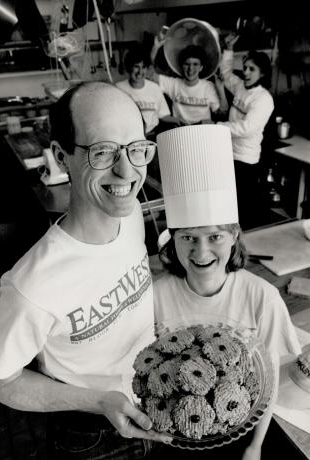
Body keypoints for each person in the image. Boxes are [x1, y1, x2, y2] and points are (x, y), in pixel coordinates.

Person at [0, 81, 172, 459]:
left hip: (153, 397)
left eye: (137, 149)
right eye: (103, 151)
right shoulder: (31, 287)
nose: (127, 171)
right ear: (60, 154)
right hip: (90, 435)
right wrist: (100, 401)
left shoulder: (132, 215)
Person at [152, 125, 301, 459]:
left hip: (239, 436)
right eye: (188, 237)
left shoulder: (261, 298)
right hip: (171, 437)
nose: (202, 252)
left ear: (235, 235)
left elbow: (270, 380)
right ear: (171, 240)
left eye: (214, 236)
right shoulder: (155, 297)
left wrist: (256, 446)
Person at [216, 34, 275, 230]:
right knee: (228, 205)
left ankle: (244, 248)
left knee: (242, 209)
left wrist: (217, 128)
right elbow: (225, 73)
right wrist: (228, 50)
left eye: (252, 69)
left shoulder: (263, 99)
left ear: (263, 73)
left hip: (245, 160)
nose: (246, 72)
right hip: (228, 153)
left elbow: (246, 128)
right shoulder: (241, 86)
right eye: (246, 68)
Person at [151, 33, 223, 125]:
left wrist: (221, 89)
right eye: (187, 64)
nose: (191, 69)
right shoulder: (174, 84)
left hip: (203, 132)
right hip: (180, 132)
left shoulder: (208, 86)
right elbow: (150, 74)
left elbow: (221, 114)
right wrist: (156, 48)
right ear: (182, 66)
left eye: (195, 64)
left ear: (201, 67)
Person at [116, 44, 180, 138]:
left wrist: (180, 121)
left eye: (143, 67)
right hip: (129, 135)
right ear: (129, 67)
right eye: (136, 67)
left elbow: (163, 116)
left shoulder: (155, 88)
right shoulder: (119, 88)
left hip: (153, 135)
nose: (140, 72)